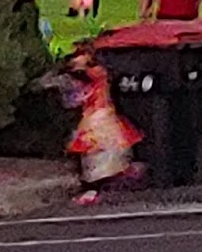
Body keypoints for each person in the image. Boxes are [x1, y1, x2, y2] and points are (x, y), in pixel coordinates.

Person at [58, 48, 142, 204]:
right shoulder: (87, 82)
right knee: (95, 154)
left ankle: (103, 186)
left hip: (100, 118)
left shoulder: (98, 77)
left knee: (104, 152)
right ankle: (97, 187)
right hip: (95, 118)